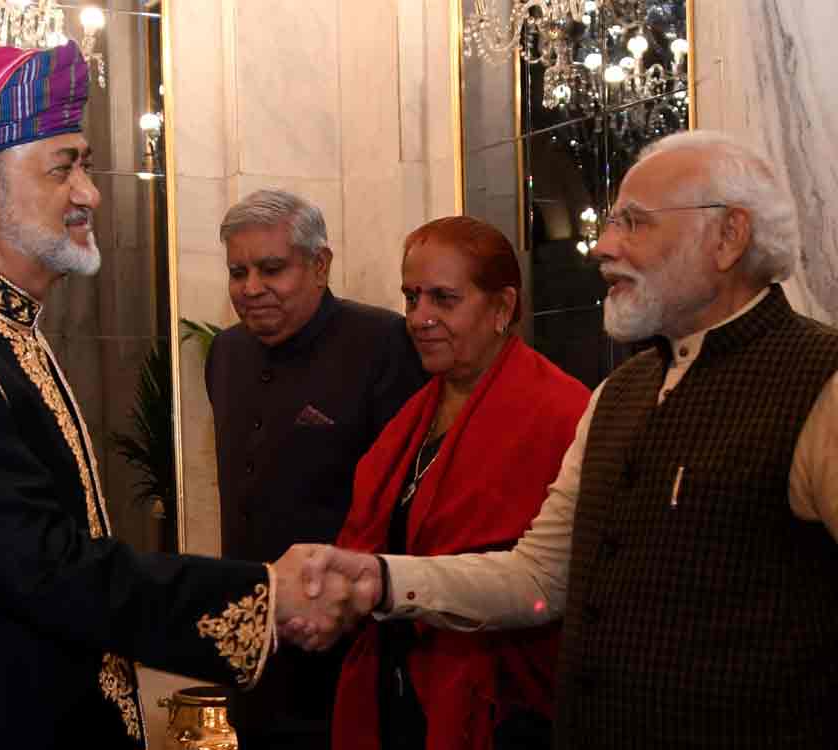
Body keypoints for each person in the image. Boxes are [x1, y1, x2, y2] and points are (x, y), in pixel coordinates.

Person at [0, 40, 376, 750]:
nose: (89, 193)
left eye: (85, 165)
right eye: (62, 167)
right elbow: (43, 568)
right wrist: (262, 597)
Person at [304, 131, 838, 748]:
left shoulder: (820, 380)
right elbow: (540, 578)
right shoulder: (620, 392)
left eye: (634, 223)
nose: (604, 247)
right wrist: (378, 579)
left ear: (728, 236)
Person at [329, 217, 589, 750]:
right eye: (411, 298)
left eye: (443, 299)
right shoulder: (413, 414)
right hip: (395, 688)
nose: (419, 318)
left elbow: (550, 585)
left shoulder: (562, 413)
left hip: (500, 711)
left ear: (502, 308)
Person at [205, 189, 427, 749]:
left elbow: (406, 502)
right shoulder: (225, 353)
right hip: (258, 647)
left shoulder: (383, 345)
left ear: (320, 265)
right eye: (238, 272)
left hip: (351, 648)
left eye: (271, 269)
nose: (251, 288)